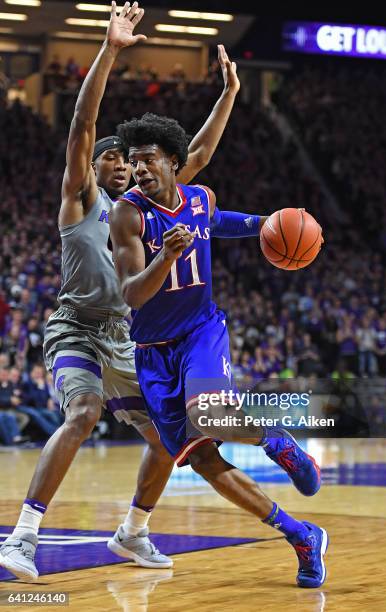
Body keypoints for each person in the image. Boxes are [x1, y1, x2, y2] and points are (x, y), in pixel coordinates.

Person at [0, 1, 242, 582]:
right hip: (76, 329)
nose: (119, 166)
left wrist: (229, 92)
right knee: (82, 413)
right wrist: (110, 48)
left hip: (129, 335)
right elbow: (83, 125)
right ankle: (23, 538)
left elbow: (200, 153)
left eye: (126, 162)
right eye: (108, 158)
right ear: (95, 167)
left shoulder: (141, 211)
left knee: (171, 439)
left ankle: (133, 531)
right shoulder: (82, 201)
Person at [108, 113, 328, 588]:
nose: (139, 169)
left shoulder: (199, 197)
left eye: (147, 160)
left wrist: (262, 224)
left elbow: (215, 222)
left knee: (208, 414)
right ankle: (301, 535)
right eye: (133, 162)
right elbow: (131, 294)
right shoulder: (127, 214)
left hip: (201, 333)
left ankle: (276, 442)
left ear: (172, 161)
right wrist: (165, 256)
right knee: (204, 460)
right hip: (152, 352)